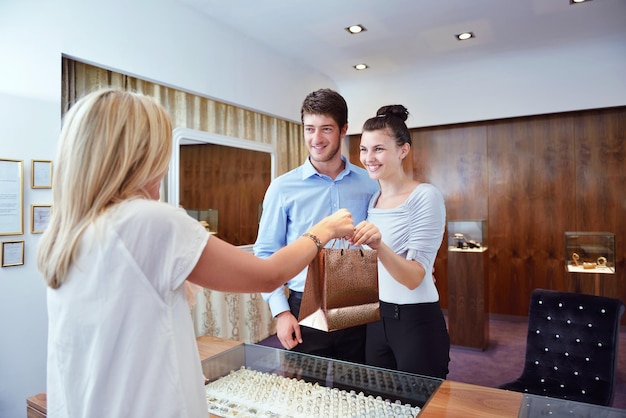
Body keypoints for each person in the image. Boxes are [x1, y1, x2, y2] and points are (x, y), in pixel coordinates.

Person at [37, 88, 355, 418]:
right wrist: (324, 230)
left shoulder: (68, 231)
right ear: (142, 155)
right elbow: (269, 273)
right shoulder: (150, 221)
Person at [254, 88, 378, 362]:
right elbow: (265, 253)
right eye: (309, 129)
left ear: (343, 130)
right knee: (305, 397)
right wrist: (281, 311)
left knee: (357, 392)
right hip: (302, 304)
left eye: (326, 129)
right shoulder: (282, 188)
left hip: (356, 298)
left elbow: (383, 238)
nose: (316, 138)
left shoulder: (370, 183)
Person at [350, 104, 450, 379]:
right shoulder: (374, 200)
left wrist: (379, 246)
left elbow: (414, 277)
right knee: (380, 402)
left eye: (378, 149)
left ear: (403, 150)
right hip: (377, 318)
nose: (369, 157)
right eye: (363, 149)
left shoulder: (425, 196)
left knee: (421, 405)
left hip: (415, 320)